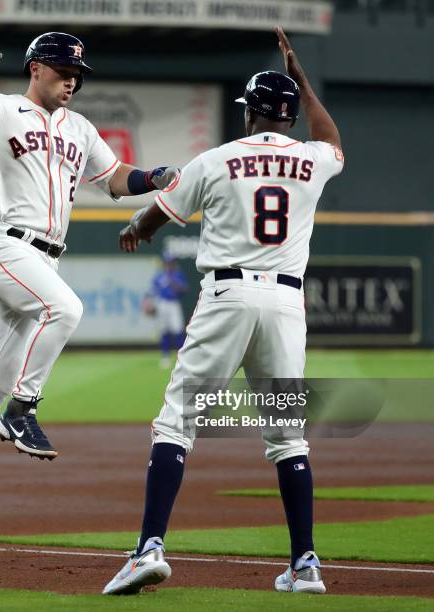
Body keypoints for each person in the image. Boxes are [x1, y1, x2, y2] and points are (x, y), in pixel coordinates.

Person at [103, 27, 343, 595]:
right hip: (286, 303)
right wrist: (302, 78)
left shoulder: (216, 159)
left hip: (228, 296)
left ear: (249, 115)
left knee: (177, 422)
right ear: (288, 116)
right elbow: (333, 139)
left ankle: (148, 550)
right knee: (289, 436)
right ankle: (306, 564)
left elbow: (160, 212)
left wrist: (134, 227)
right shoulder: (312, 160)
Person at [0, 32, 179, 532]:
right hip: (6, 244)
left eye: (77, 73)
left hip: (46, 258)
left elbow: (115, 178)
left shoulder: (78, 127)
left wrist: (154, 176)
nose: (71, 80)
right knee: (66, 310)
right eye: (62, 70)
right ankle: (24, 409)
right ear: (36, 68)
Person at [148, 253, 188, 368]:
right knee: (164, 330)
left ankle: (181, 358)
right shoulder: (159, 275)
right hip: (162, 303)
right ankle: (165, 356)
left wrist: (173, 282)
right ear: (165, 263)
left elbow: (184, 289)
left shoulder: (177, 275)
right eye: (168, 262)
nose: (170, 264)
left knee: (178, 330)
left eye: (172, 262)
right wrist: (149, 303)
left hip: (174, 303)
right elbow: (152, 290)